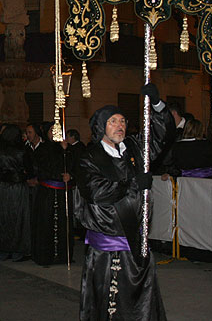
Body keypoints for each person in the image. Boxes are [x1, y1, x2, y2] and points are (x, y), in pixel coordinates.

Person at [74, 83, 171, 321]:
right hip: (108, 248)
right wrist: (134, 183)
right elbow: (97, 191)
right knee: (111, 303)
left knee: (139, 304)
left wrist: (157, 105)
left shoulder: (134, 148)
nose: (120, 126)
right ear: (101, 127)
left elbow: (161, 135)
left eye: (123, 121)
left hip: (136, 240)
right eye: (113, 121)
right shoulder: (89, 157)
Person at [30, 122, 74, 266]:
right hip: (47, 192)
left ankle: (63, 255)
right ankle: (45, 255)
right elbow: (41, 169)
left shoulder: (68, 149)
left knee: (64, 225)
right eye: (52, 130)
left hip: (63, 193)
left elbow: (75, 165)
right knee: (46, 224)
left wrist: (70, 175)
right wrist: (58, 175)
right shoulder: (42, 150)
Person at [0, 124, 31, 261]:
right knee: (18, 219)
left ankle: (3, 249)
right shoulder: (23, 150)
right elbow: (31, 168)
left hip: (2, 187)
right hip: (18, 187)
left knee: (2, 218)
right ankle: (17, 250)